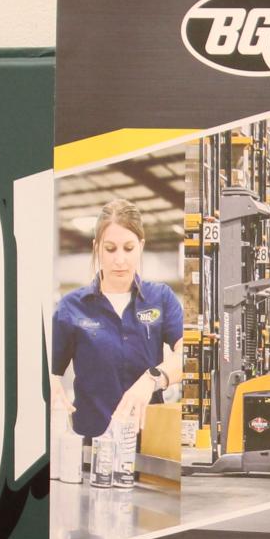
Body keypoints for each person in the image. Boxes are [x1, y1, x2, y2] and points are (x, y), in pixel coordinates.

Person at [51, 200, 184, 489]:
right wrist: (50, 386)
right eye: (110, 249)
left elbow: (187, 355)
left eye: (128, 248)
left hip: (151, 458)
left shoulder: (161, 298)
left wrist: (153, 379)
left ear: (142, 246)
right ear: (97, 246)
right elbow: (49, 370)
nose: (119, 260)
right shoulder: (71, 307)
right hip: (86, 460)